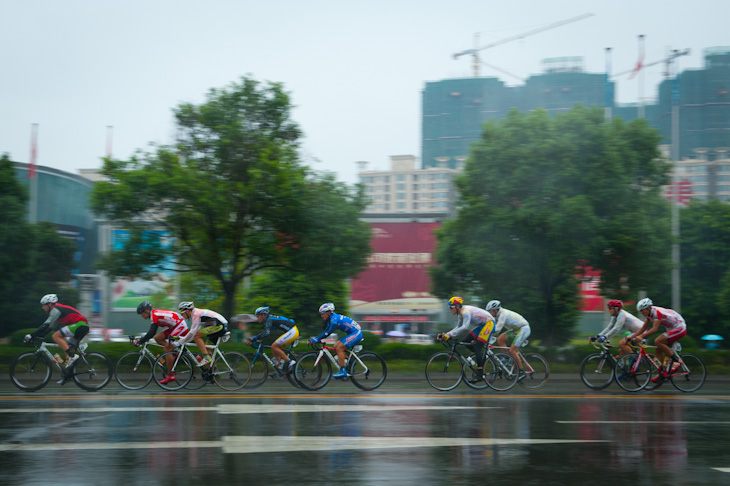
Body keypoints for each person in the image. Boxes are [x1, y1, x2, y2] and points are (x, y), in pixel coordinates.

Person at [25, 294, 90, 385]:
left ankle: (72, 356)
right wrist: (36, 336)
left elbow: (45, 325)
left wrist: (31, 335)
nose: (43, 307)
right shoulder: (57, 313)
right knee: (67, 350)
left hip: (80, 325)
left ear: (50, 304)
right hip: (81, 326)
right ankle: (67, 376)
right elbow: (48, 329)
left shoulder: (56, 310)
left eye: (44, 305)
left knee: (56, 336)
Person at [436, 296, 496, 382]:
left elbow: (465, 327)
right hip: (482, 325)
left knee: (477, 347)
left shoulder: (465, 312)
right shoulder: (460, 313)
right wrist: (446, 334)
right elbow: (458, 327)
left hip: (489, 324)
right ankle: (480, 357)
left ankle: (480, 373)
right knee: (465, 341)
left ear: (457, 306)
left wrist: (450, 335)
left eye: (451, 307)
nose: (450, 309)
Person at [627, 298, 687, 380]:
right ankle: (662, 373)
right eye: (640, 311)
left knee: (658, 341)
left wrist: (641, 336)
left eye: (643, 311)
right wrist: (631, 336)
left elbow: (654, 329)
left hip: (679, 327)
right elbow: (643, 328)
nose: (642, 313)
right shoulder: (649, 314)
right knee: (658, 350)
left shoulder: (656, 312)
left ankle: (677, 361)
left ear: (648, 308)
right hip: (671, 328)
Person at [134, 301, 189, 385]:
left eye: (141, 313)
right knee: (157, 338)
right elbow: (153, 335)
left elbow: (151, 333)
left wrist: (139, 342)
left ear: (146, 311)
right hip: (174, 326)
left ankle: (171, 375)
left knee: (167, 349)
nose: (141, 316)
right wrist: (141, 340)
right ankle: (173, 352)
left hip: (180, 326)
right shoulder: (154, 314)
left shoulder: (154, 316)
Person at [308, 303, 363, 379]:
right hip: (352, 333)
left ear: (328, 312)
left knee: (339, 348)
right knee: (335, 346)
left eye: (322, 313)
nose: (321, 315)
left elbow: (329, 332)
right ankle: (350, 363)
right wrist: (317, 338)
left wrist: (316, 339)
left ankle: (343, 370)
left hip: (356, 333)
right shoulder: (331, 320)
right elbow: (325, 331)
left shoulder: (334, 319)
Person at [246, 306, 299, 375]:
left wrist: (253, 338)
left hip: (292, 331)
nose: (257, 318)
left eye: (258, 316)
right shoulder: (269, 320)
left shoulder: (269, 320)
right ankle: (278, 370)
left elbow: (266, 332)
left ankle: (290, 362)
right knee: (275, 349)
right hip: (290, 332)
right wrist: (257, 339)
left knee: (274, 346)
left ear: (263, 315)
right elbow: (266, 333)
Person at [486, 300, 530, 380]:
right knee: (500, 339)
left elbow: (498, 329)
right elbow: (492, 326)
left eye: (490, 311)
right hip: (515, 329)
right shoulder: (496, 315)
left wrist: (487, 335)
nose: (489, 313)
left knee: (512, 351)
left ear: (496, 310)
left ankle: (521, 371)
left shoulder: (503, 314)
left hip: (523, 328)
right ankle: (507, 358)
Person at [175, 301, 229, 366]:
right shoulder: (196, 314)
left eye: (181, 312)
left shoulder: (196, 314)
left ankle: (206, 358)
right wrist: (183, 340)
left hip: (220, 325)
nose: (181, 315)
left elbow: (193, 332)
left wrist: (181, 342)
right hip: (218, 326)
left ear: (187, 311)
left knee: (196, 336)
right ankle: (215, 372)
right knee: (206, 349)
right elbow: (193, 334)